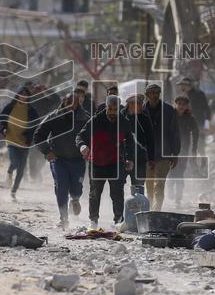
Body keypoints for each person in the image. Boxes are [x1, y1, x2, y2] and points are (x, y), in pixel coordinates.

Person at [76, 95, 133, 231]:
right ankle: (93, 221)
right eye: (110, 109)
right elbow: (80, 136)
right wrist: (82, 146)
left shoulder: (123, 121)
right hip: (97, 162)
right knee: (95, 193)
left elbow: (130, 142)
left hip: (116, 162)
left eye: (115, 110)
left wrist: (130, 158)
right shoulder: (96, 120)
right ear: (106, 107)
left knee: (117, 193)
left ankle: (118, 220)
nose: (112, 112)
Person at [34, 91, 89, 226]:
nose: (70, 105)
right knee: (61, 186)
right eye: (68, 101)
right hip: (58, 159)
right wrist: (47, 152)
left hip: (78, 160)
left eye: (74, 102)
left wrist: (89, 150)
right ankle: (63, 218)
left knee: (77, 187)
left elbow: (93, 136)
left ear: (78, 104)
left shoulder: (85, 118)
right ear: (64, 102)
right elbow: (38, 136)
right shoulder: (54, 117)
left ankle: (75, 199)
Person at [143, 83, 180, 211]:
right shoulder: (141, 110)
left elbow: (175, 132)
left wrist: (175, 153)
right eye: (152, 93)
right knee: (149, 185)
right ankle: (150, 209)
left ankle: (156, 210)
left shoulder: (169, 110)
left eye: (157, 92)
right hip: (147, 155)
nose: (155, 95)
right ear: (147, 95)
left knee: (159, 185)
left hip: (164, 154)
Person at [0, 86, 38, 200]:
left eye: (26, 94)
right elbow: (1, 120)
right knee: (15, 162)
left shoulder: (31, 110)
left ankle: (13, 191)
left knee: (21, 169)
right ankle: (9, 172)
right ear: (18, 94)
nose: (24, 96)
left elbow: (36, 124)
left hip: (25, 142)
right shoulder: (10, 107)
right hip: (11, 139)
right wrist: (3, 129)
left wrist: (29, 135)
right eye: (22, 93)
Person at [170, 94, 200, 207]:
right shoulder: (170, 116)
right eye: (179, 104)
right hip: (170, 149)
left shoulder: (190, 118)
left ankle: (178, 198)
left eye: (184, 104)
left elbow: (196, 133)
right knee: (171, 172)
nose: (181, 106)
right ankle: (170, 191)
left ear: (187, 106)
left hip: (184, 149)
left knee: (180, 173)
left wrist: (194, 149)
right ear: (175, 104)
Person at [122, 93, 154, 196]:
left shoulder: (144, 119)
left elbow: (150, 139)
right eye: (138, 103)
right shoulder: (120, 117)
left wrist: (151, 158)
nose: (141, 106)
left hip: (140, 158)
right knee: (118, 185)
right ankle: (119, 205)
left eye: (141, 103)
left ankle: (137, 205)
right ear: (130, 104)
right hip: (122, 158)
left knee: (138, 187)